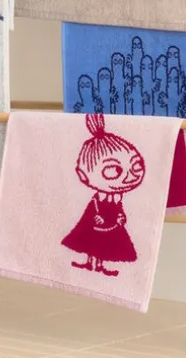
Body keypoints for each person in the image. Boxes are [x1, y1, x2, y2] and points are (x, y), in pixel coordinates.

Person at [61, 114, 146, 276]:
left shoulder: (116, 199)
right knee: (92, 244)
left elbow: (119, 210)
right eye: (113, 170)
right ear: (83, 175)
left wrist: (121, 217)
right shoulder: (97, 199)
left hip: (111, 226)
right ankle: (89, 263)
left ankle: (99, 265)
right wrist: (95, 218)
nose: (129, 176)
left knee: (102, 247)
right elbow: (91, 210)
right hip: (96, 226)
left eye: (135, 166)